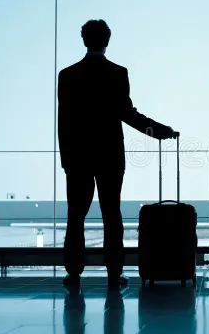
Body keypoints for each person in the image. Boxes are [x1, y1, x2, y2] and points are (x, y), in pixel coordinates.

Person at [58, 19, 177, 290]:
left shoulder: (67, 75)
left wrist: (66, 159)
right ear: (107, 41)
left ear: (84, 40)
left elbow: (63, 122)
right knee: (111, 213)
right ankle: (114, 274)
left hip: (77, 157)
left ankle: (74, 273)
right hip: (109, 154)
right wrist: (160, 131)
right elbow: (128, 115)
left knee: (75, 215)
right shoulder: (117, 73)